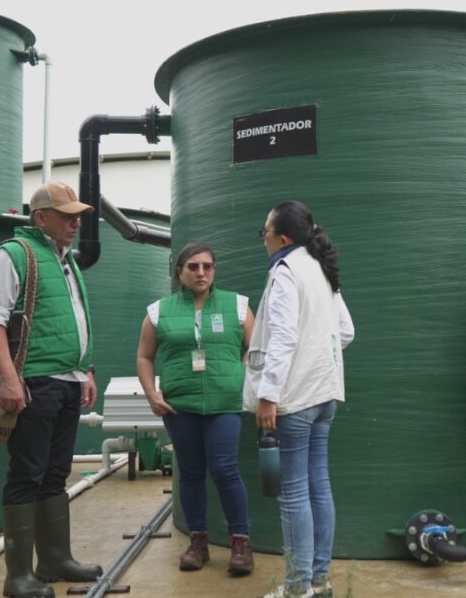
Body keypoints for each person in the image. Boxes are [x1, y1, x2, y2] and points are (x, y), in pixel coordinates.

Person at [0, 181, 102, 598]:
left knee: (55, 473)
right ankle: (18, 577)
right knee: (27, 474)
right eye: (67, 216)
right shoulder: (12, 255)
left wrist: (86, 372)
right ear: (40, 218)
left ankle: (54, 559)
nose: (76, 223)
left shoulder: (65, 260)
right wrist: (10, 379)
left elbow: (71, 322)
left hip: (66, 382)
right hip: (33, 384)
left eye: (78, 215)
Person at [244, 201, 354, 598]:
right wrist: (316, 358)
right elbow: (346, 331)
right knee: (318, 486)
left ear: (282, 239)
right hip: (324, 396)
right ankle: (318, 581)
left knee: (293, 492)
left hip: (294, 399)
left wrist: (268, 395)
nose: (264, 239)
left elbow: (285, 337)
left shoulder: (286, 270)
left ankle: (296, 588)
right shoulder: (321, 269)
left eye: (265, 232)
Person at [136, 242, 255, 575]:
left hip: (224, 402)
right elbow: (144, 357)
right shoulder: (158, 311)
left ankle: (240, 543)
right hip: (179, 404)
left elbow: (257, 347)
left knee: (224, 469)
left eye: (207, 266)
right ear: (180, 272)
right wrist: (151, 393)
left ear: (214, 269)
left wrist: (241, 373)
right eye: (193, 266)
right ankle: (198, 543)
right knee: (189, 472)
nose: (201, 272)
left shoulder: (238, 305)